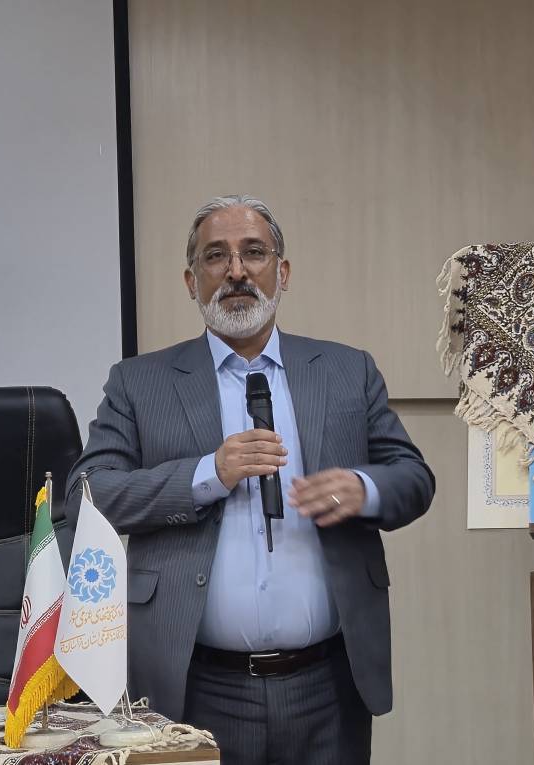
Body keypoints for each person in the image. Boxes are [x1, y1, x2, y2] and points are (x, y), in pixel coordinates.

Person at [66, 195, 435, 765]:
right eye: (216, 256)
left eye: (254, 253)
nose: (236, 271)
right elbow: (88, 496)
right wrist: (206, 474)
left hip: (328, 684)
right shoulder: (140, 382)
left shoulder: (347, 370)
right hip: (194, 685)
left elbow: (413, 478)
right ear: (191, 281)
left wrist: (364, 489)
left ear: (281, 272)